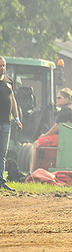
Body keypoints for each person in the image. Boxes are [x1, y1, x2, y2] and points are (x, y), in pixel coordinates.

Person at [30, 88, 72, 172]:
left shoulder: (66, 110)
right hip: (68, 138)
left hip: (62, 139)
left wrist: (45, 135)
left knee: (36, 144)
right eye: (57, 98)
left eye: (59, 98)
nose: (57, 100)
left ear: (66, 99)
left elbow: (56, 127)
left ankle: (32, 172)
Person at [0, 57, 22, 191]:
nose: (2, 68)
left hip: (6, 123)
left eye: (3, 65)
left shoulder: (8, 81)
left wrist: (17, 118)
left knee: (2, 153)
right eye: (0, 65)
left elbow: (12, 100)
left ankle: (1, 180)